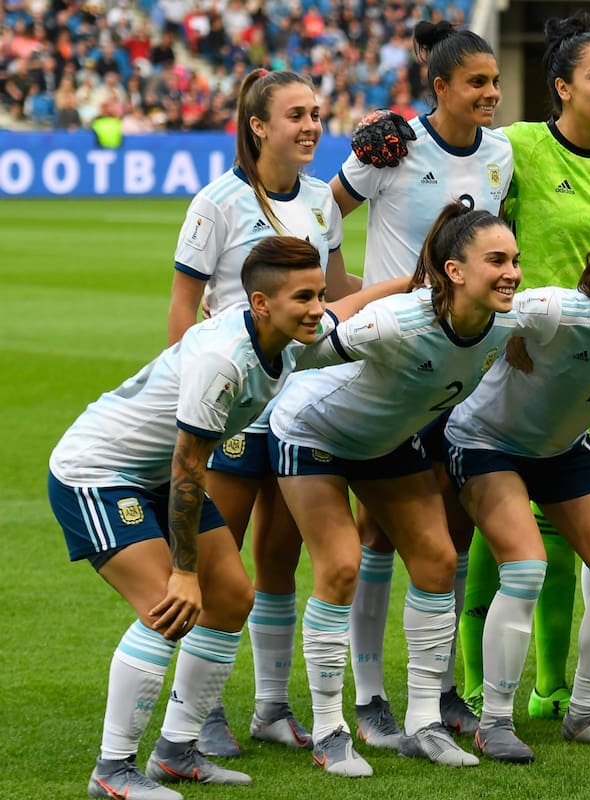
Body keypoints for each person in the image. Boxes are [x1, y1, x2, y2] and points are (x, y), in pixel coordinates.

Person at [48, 236, 401, 800]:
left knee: (232, 598)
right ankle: (111, 771)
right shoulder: (223, 360)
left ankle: (176, 753)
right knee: (169, 607)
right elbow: (190, 467)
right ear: (261, 304)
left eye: (318, 294)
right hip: (98, 472)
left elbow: (345, 310)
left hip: (159, 475)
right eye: (304, 297)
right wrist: (184, 571)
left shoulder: (286, 336)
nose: (318, 307)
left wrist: (409, 284)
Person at [268, 205, 524, 776]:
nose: (512, 273)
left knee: (436, 559)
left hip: (386, 441)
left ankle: (423, 723)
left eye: (515, 260)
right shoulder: (395, 322)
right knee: (339, 568)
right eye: (496, 261)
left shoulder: (508, 320)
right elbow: (303, 351)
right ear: (454, 271)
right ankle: (332, 731)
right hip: (313, 431)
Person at [165, 68, 360, 758]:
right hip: (236, 411)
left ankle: (272, 709)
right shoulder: (216, 202)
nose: (312, 126)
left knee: (280, 559)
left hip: (298, 406)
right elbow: (183, 316)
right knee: (224, 571)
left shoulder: (320, 201)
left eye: (317, 112)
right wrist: (200, 407)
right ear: (258, 127)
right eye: (297, 115)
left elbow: (335, 294)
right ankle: (201, 711)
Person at [330, 19, 513, 748]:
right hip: (393, 359)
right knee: (381, 529)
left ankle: (438, 689)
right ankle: (371, 693)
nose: (491, 94)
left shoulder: (501, 154)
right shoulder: (392, 147)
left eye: (496, 82)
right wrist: (349, 293)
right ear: (439, 87)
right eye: (477, 83)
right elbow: (321, 216)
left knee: (454, 525)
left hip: (464, 365)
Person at [442, 225, 590, 763]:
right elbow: (475, 303)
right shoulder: (557, 312)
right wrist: (503, 335)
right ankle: (496, 722)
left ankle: (587, 712)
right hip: (485, 442)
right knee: (525, 569)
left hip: (562, 450)